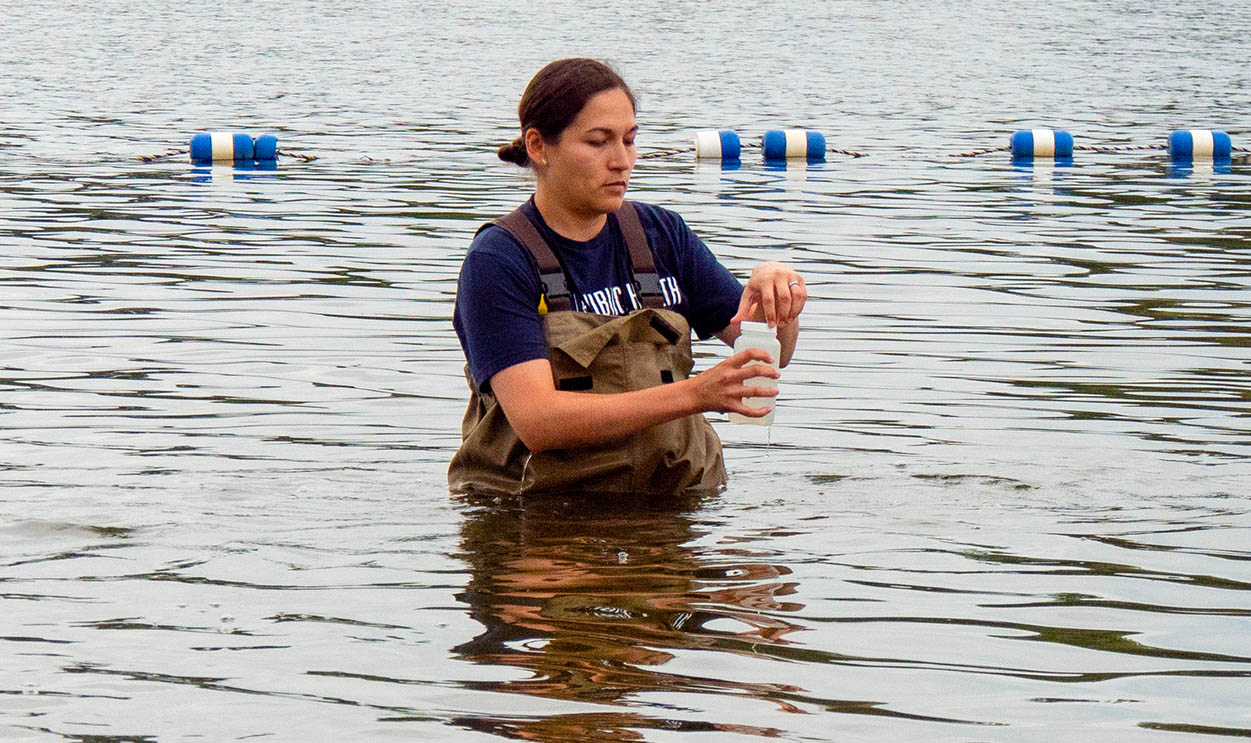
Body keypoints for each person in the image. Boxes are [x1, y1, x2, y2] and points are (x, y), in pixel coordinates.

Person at [449, 58, 806, 495]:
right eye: (599, 142)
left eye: (630, 140)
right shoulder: (498, 260)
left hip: (677, 500)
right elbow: (538, 421)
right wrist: (696, 394)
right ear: (538, 146)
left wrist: (777, 296)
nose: (621, 161)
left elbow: (770, 357)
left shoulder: (663, 235)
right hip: (544, 513)